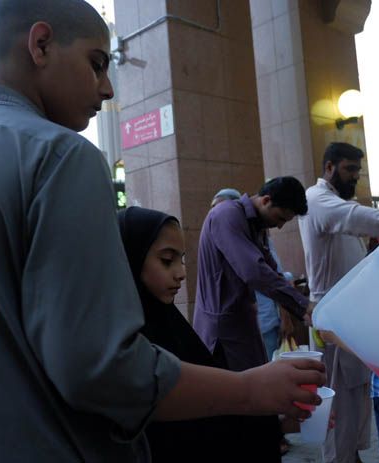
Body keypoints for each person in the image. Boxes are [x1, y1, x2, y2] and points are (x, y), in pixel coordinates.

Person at [0, 1, 325, 461]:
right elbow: (98, 369)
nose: (108, 89)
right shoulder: (56, 155)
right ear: (41, 44)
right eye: (96, 64)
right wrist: (248, 390)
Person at [298, 142, 379, 463]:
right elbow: (354, 216)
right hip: (332, 317)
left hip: (353, 317)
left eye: (358, 171)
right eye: (349, 170)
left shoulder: (334, 201)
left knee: (356, 397)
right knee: (339, 403)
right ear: (329, 167)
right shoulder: (317, 200)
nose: (355, 177)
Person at [118, 207, 284, 462]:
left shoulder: (170, 324)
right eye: (166, 260)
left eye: (181, 260)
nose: (181, 273)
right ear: (131, 257)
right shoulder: (121, 341)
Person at [194, 176, 312, 372]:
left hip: (243, 322)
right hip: (223, 331)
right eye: (280, 218)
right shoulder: (226, 215)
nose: (280, 226)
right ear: (266, 200)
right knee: (235, 396)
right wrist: (303, 305)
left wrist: (300, 309)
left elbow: (272, 270)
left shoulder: (255, 226)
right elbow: (254, 270)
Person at [210, 187, 288, 361]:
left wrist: (286, 316)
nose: (216, 213)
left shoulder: (258, 238)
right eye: (213, 208)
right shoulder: (218, 239)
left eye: (220, 207)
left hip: (264, 321)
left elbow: (277, 276)